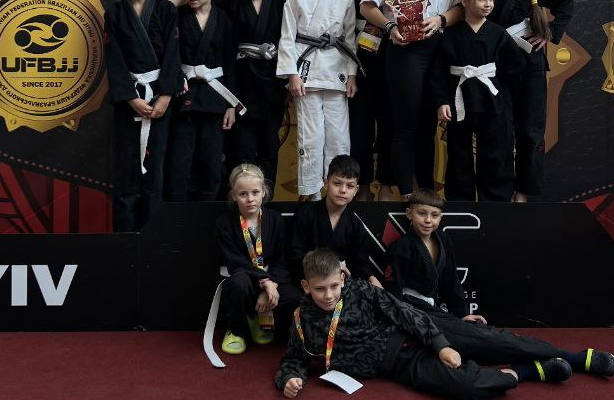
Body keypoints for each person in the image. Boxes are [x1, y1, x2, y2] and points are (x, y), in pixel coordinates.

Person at [275, 248, 580, 400]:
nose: (328, 295)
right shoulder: (302, 319)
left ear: (342, 278)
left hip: (419, 331)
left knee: (494, 342)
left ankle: (576, 358)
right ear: (305, 286)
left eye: (333, 286)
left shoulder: (362, 291)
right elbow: (293, 360)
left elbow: (405, 313)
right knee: (467, 387)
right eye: (319, 289)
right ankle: (530, 371)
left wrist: (441, 345)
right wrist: (289, 378)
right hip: (401, 363)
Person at [384, 189, 614, 380]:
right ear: (409, 214)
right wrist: (409, 327)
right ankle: (573, 358)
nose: (428, 220)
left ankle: (554, 361)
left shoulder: (442, 239)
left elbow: (452, 281)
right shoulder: (401, 248)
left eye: (434, 215)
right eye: (422, 213)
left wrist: (461, 314)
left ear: (441, 217)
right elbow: (393, 296)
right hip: (415, 315)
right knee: (483, 341)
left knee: (487, 335)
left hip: (435, 313)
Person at [466, 0, 573, 202]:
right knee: (495, 132)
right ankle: (496, 195)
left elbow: (566, 3)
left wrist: (550, 32)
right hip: (492, 67)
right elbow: (461, 5)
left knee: (530, 132)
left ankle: (524, 192)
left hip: (529, 65)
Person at [360, 0, 463, 198]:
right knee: (405, 124)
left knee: (429, 125)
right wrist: (389, 27)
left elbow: (461, 7)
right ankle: (406, 193)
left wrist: (441, 19)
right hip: (406, 50)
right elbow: (367, 6)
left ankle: (426, 195)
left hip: (439, 50)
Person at [276, 0, 359, 200]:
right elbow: (287, 36)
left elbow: (349, 37)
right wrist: (292, 74)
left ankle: (339, 194)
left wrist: (352, 74)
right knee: (311, 137)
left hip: (337, 70)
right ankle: (313, 196)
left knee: (338, 138)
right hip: (307, 71)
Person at [104, 0, 180, 231]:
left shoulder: (166, 10)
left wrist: (166, 95)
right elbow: (114, 59)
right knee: (125, 171)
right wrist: (130, 98)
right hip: (129, 103)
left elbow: (173, 55)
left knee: (155, 172)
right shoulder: (115, 13)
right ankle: (124, 238)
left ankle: (152, 239)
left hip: (159, 101)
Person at [432, 0, 526, 201]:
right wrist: (442, 101)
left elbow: (515, 66)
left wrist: (502, 94)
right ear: (464, 1)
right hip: (459, 101)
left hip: (492, 101)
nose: (488, 4)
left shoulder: (498, 33)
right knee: (458, 153)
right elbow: (438, 72)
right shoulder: (450, 35)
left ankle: (496, 202)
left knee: (496, 152)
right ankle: (460, 202)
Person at [165, 0, 239, 201]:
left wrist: (231, 105)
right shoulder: (176, 17)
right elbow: (170, 56)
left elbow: (230, 64)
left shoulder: (225, 20)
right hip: (183, 98)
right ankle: (177, 217)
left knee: (211, 164)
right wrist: (177, 78)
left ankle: (207, 216)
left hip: (215, 98)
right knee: (179, 165)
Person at [339, 0, 395, 201]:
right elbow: (344, 21)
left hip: (396, 50)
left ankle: (386, 184)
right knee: (359, 124)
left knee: (389, 121)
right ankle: (361, 185)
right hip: (360, 52)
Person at [215, 164, 300, 354]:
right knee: (238, 284)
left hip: (272, 278)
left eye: (255, 192)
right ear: (234, 196)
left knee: (295, 298)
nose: (250, 199)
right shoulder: (225, 223)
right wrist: (264, 282)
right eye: (243, 194)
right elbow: (235, 262)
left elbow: (282, 258)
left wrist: (272, 284)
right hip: (244, 276)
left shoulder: (275, 219)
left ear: (264, 192)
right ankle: (237, 331)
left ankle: (262, 322)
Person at [227, 0, 288, 194]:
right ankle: (242, 201)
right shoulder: (233, 6)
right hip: (242, 87)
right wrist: (229, 97)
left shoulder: (282, 4)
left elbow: (289, 45)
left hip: (272, 87)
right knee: (242, 150)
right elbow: (227, 52)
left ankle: (266, 203)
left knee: (269, 149)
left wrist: (287, 82)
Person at [289, 155, 383, 287]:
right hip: (309, 283)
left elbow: (360, 264)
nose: (343, 190)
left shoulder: (355, 224)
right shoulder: (306, 214)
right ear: (326, 184)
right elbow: (294, 256)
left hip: (342, 285)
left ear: (356, 190)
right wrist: (329, 265)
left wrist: (371, 277)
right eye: (337, 183)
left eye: (350, 186)